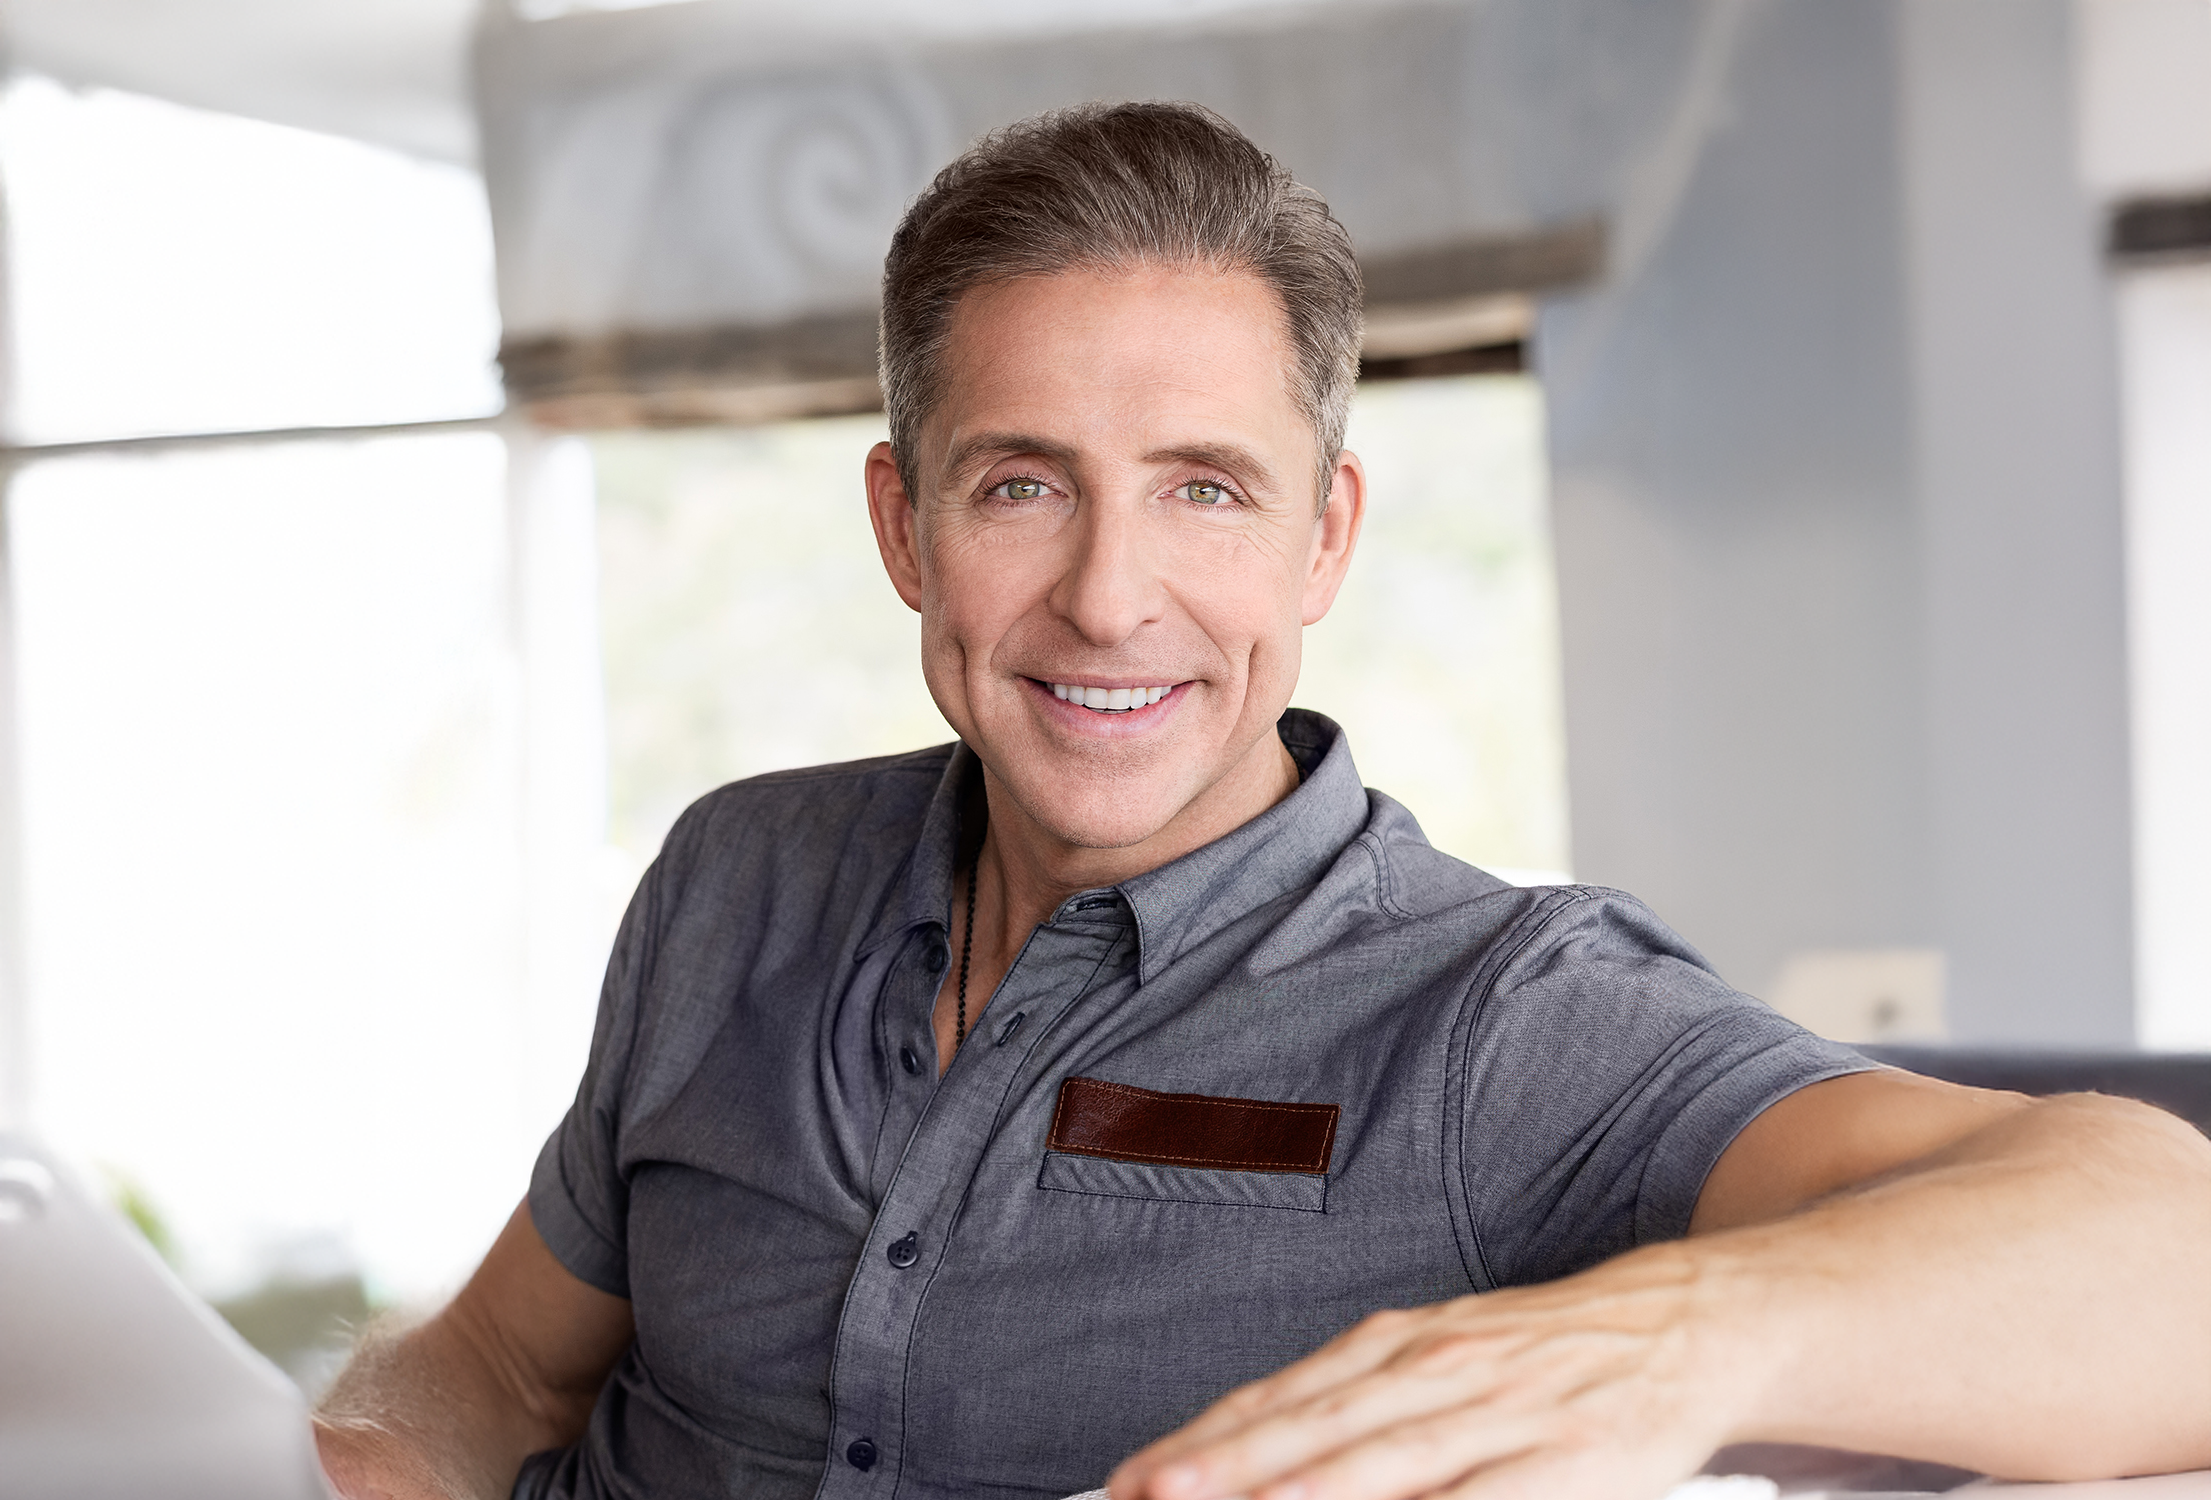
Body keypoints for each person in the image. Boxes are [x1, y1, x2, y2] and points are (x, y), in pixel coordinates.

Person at [314, 102, 2211, 1500]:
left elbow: (2171, 1263)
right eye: (1021, 484)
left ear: (1324, 539)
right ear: (903, 527)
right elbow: (493, 1371)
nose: (1108, 597)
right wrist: (352, 1462)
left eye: (1204, 490)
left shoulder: (1500, 1019)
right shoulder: (740, 874)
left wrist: (1670, 1343)